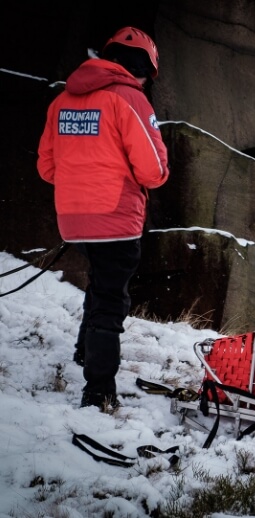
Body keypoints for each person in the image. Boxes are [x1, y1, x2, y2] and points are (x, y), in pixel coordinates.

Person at [37, 27, 169, 409]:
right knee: (111, 298)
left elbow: (47, 167)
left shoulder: (62, 100)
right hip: (115, 218)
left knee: (100, 284)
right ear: (142, 68)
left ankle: (85, 351)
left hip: (72, 220)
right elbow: (154, 171)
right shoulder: (130, 99)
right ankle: (98, 390)